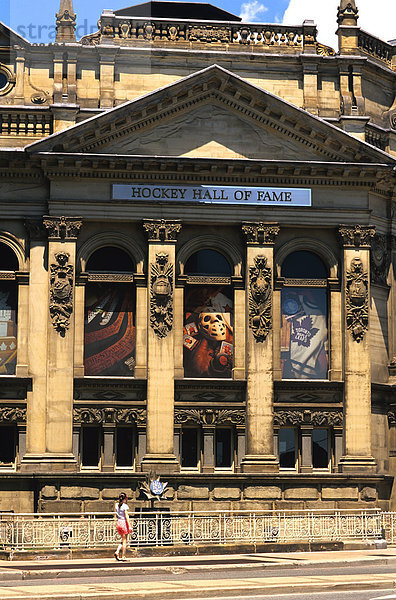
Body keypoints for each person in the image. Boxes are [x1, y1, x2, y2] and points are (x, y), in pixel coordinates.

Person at [114, 492, 130, 561]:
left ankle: (117, 551)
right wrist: (130, 526)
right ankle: (123, 556)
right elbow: (126, 516)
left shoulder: (116, 505)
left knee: (123, 540)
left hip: (118, 523)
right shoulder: (125, 506)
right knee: (125, 541)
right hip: (124, 523)